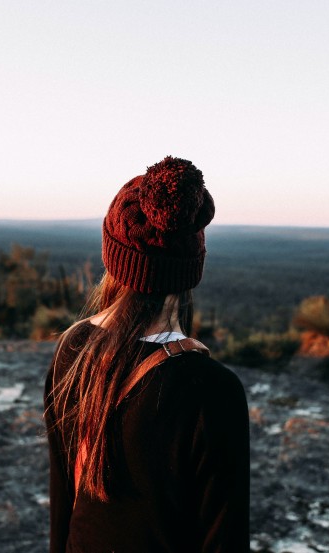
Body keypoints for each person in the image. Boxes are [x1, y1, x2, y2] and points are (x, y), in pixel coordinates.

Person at [43, 156, 250, 552]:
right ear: (191, 270)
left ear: (112, 257)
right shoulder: (212, 391)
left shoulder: (71, 350)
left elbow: (63, 507)